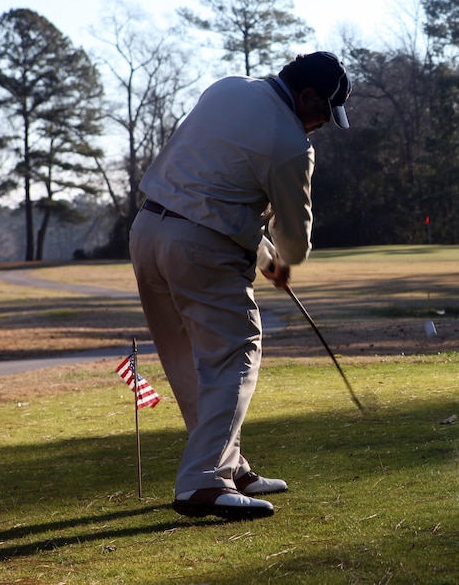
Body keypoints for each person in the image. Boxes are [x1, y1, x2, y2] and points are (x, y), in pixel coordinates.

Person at [129, 51, 351, 520]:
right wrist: (284, 258)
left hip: (148, 231)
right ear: (307, 96)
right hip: (201, 249)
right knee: (235, 352)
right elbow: (296, 234)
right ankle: (203, 481)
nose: (323, 125)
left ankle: (229, 467)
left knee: (192, 361)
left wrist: (264, 256)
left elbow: (213, 184)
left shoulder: (229, 86)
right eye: (324, 113)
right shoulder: (292, 143)